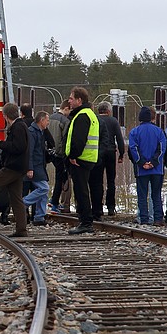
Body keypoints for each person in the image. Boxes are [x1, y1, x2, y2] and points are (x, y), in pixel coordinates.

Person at [0, 103, 30, 236]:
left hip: (12, 167)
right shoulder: (21, 125)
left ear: (6, 116)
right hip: (19, 167)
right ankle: (21, 229)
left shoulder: (17, 127)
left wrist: (1, 144)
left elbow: (18, 147)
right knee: (16, 198)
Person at [64, 86, 99, 235]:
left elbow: (79, 139)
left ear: (79, 100)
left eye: (71, 98)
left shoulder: (82, 116)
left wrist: (72, 156)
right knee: (83, 190)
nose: (69, 101)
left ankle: (85, 222)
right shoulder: (90, 114)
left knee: (81, 191)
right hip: (88, 158)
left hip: (80, 159)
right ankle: (85, 221)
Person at [128, 105, 167, 224]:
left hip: (141, 170)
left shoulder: (134, 132)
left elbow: (133, 149)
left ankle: (144, 219)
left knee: (142, 195)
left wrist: (142, 162)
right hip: (157, 169)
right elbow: (162, 149)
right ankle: (158, 218)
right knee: (156, 195)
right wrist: (154, 162)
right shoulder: (159, 131)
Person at [89, 101, 126, 219]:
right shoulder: (113, 121)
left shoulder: (95, 120)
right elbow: (120, 139)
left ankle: (98, 207)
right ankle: (111, 207)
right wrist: (121, 154)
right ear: (109, 111)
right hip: (110, 152)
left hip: (98, 152)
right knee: (111, 181)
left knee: (97, 181)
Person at [25, 111, 52, 225]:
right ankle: (23, 203)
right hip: (36, 166)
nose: (48, 122)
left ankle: (39, 217)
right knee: (44, 188)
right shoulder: (33, 133)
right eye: (47, 120)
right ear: (41, 120)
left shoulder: (39, 132)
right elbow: (29, 151)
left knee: (43, 193)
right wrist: (29, 168)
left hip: (39, 165)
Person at [48, 99, 73, 214]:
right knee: (61, 178)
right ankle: (55, 202)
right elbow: (65, 139)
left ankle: (53, 200)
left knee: (57, 178)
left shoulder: (50, 118)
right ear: (66, 109)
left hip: (50, 152)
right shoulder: (65, 121)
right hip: (60, 154)